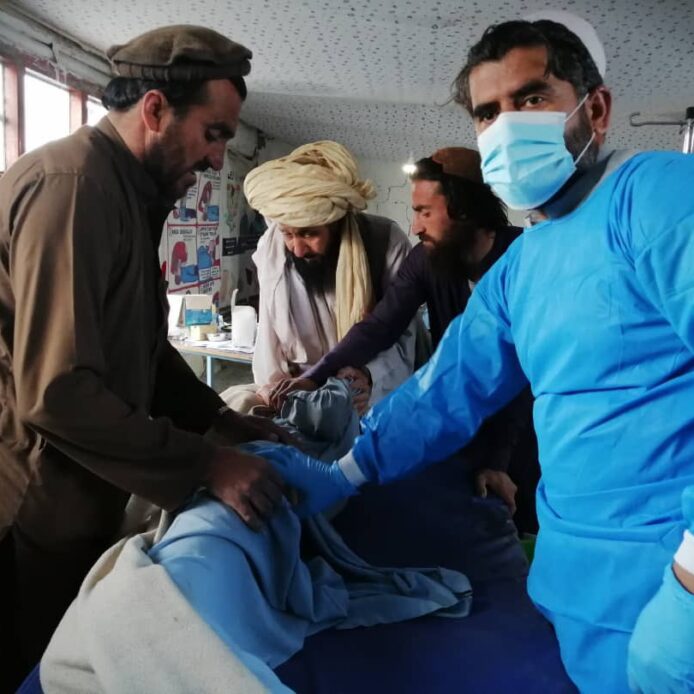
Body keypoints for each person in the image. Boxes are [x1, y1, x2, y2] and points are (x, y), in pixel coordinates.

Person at [250, 15, 694, 693]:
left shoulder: (657, 197)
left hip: (669, 587)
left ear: (595, 109)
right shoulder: (525, 267)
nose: (507, 126)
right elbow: (445, 389)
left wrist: (691, 581)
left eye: (532, 99)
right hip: (575, 588)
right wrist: (343, 471)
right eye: (488, 113)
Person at [0, 25, 292, 682]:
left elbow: (144, 349)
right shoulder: (75, 189)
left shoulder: (133, 194)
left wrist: (219, 419)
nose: (220, 160)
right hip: (30, 502)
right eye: (214, 134)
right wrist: (205, 463)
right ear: (156, 111)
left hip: (78, 491)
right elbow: (58, 391)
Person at [269, 148, 537, 527]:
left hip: (524, 428)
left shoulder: (525, 260)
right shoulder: (429, 259)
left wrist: (498, 461)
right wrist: (315, 375)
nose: (415, 227)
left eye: (424, 212)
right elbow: (379, 327)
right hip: (461, 419)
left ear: (464, 211)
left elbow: (519, 375)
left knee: (519, 520)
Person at [230, 140, 415, 415]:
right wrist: (274, 390)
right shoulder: (271, 246)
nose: (297, 248)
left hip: (363, 394)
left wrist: (369, 377)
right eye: (289, 234)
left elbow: (404, 339)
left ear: (337, 222)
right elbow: (269, 334)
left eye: (309, 233)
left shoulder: (385, 242)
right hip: (294, 390)